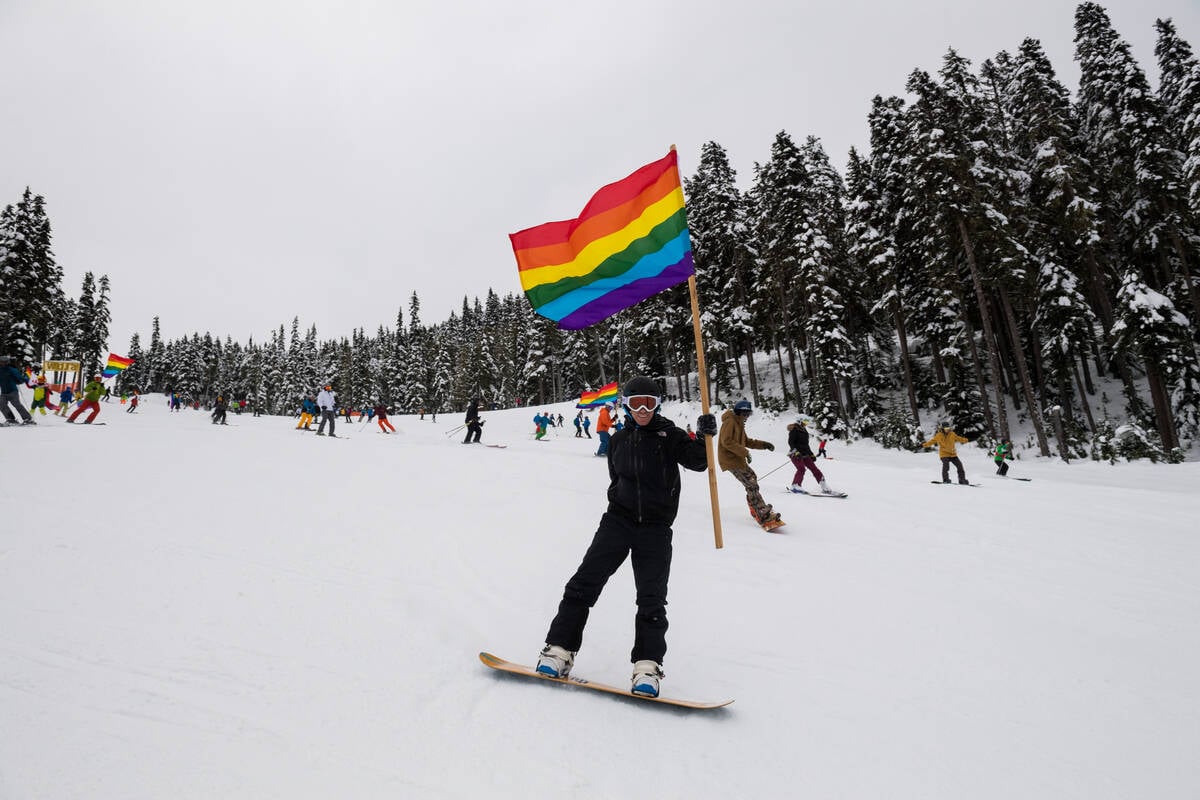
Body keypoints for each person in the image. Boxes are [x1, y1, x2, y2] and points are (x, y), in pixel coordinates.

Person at [536, 376, 712, 698]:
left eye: (649, 402)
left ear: (657, 404)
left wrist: (703, 437)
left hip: (655, 529)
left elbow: (698, 462)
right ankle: (559, 650)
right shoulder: (618, 440)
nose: (642, 409)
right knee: (582, 584)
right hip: (617, 522)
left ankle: (647, 666)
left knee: (651, 599)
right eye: (635, 403)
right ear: (626, 406)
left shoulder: (669, 436)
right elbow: (616, 479)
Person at [717, 399, 782, 530]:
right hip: (730, 459)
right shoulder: (730, 422)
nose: (746, 417)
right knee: (750, 483)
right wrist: (745, 452)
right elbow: (726, 441)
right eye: (744, 414)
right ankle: (762, 513)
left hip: (737, 458)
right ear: (738, 412)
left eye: (748, 414)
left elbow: (746, 441)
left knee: (752, 478)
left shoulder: (739, 423)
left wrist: (764, 444)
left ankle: (754, 506)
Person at [786, 418, 835, 494]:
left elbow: (806, 445)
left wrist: (811, 454)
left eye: (807, 422)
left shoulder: (805, 431)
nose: (806, 423)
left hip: (805, 454)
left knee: (814, 469)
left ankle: (824, 485)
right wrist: (795, 452)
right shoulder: (794, 430)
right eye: (804, 422)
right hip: (795, 454)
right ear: (799, 422)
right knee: (801, 469)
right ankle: (795, 486)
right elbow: (790, 442)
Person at [0, 355, 36, 425]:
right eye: (1, 362)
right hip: (4, 392)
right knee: (1, 404)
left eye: (4, 362)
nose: (2, 363)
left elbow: (20, 378)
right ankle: (11, 420)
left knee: (17, 405)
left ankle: (28, 419)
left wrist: (25, 381)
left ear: (7, 362)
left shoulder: (12, 370)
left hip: (13, 391)